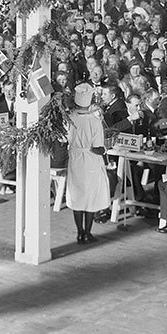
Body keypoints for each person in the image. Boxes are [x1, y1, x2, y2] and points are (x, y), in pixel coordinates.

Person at [66, 83, 111, 244]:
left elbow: (64, 139)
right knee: (90, 196)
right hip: (91, 159)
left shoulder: (70, 117)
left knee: (77, 194)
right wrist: (105, 150)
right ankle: (87, 232)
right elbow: (98, 147)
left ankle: (79, 233)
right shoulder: (94, 121)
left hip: (75, 159)